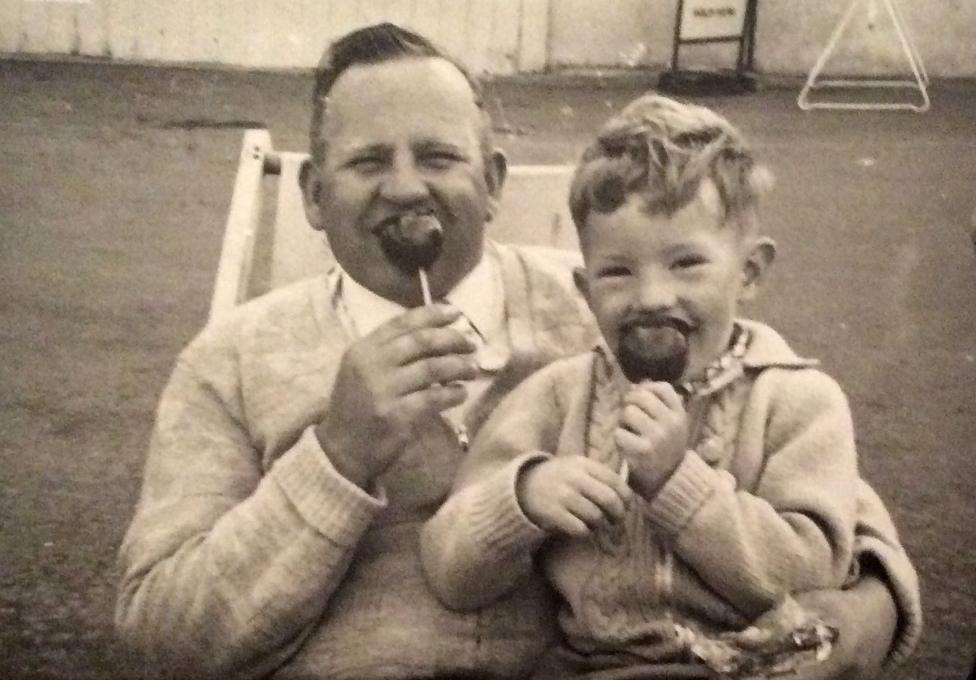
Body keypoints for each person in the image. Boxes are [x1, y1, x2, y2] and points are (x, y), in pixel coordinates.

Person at [115, 22, 919, 680]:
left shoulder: (609, 310)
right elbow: (166, 637)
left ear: (493, 182)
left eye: (438, 157)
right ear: (315, 198)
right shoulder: (233, 357)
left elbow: (822, 485)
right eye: (366, 162)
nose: (404, 188)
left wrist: (868, 610)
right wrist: (337, 455)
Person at [419, 94, 921, 679]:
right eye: (618, 271)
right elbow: (449, 569)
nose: (653, 296)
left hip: (753, 668)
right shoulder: (556, 396)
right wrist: (522, 496)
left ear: (750, 272)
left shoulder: (799, 401)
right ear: (585, 289)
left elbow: (812, 577)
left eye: (686, 264)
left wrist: (679, 483)